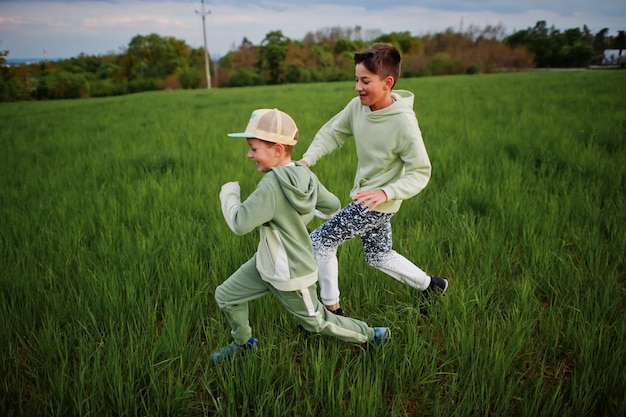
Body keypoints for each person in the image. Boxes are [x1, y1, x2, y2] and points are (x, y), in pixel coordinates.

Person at [211, 108, 390, 363]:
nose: (249, 154)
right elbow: (332, 205)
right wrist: (299, 214)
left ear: (276, 150)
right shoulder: (305, 174)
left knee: (317, 322)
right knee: (226, 295)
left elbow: (239, 224)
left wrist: (228, 193)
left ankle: (372, 335)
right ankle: (243, 344)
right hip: (265, 264)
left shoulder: (270, 186)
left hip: (291, 274)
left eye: (254, 148)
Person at [299, 43, 448, 317]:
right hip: (367, 197)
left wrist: (386, 193)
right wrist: (308, 160)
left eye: (365, 81)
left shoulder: (403, 123)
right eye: (356, 80)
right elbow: (333, 132)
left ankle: (332, 312)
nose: (358, 87)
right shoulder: (358, 107)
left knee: (320, 241)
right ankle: (432, 286)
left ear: (387, 82)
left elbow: (420, 171)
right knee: (379, 255)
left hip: (375, 202)